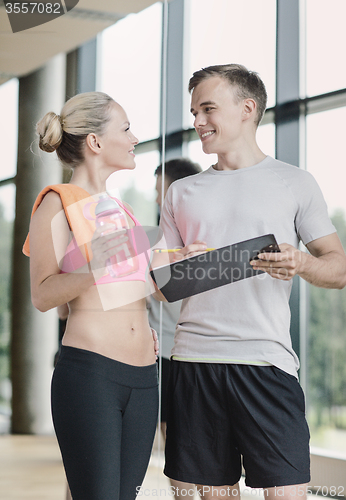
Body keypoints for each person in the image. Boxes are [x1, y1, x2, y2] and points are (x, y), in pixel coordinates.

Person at [156, 64, 346, 500]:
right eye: (194, 112)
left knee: (286, 493)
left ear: (247, 109)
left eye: (208, 109)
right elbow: (160, 281)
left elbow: (337, 268)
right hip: (194, 361)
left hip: (267, 362)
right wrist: (173, 263)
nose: (198, 122)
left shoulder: (295, 182)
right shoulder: (181, 193)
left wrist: (301, 263)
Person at [22, 91, 159, 500]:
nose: (134, 137)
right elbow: (44, 295)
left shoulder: (123, 210)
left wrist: (182, 265)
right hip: (93, 377)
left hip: (144, 379)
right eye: (126, 128)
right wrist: (92, 266)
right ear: (96, 142)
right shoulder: (56, 203)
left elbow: (134, 290)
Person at [148, 158, 201, 499]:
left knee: (182, 443)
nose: (157, 200)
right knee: (177, 441)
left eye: (160, 192)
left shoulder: (199, 241)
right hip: (159, 353)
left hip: (185, 354)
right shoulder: (153, 239)